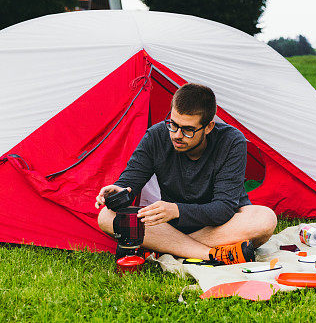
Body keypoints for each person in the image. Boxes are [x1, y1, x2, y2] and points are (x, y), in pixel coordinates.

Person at [95, 83, 277, 262]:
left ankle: (164, 249)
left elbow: (223, 209)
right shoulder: (156, 136)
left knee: (265, 219)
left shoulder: (231, 141)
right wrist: (118, 191)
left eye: (188, 130)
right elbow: (130, 182)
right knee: (106, 216)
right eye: (173, 124)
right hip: (171, 226)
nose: (176, 135)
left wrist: (176, 210)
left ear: (208, 127)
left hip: (221, 225)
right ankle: (211, 254)